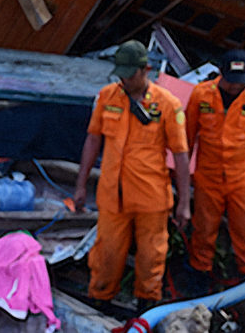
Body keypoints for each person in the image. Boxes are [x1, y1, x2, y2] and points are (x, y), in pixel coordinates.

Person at [73, 40, 191, 308]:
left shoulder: (168, 105)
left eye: (130, 74)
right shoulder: (107, 97)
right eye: (121, 74)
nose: (124, 80)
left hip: (151, 199)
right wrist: (80, 185)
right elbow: (93, 140)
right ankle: (99, 304)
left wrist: (184, 203)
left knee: (151, 258)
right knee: (106, 256)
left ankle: (145, 310)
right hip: (112, 196)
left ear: (145, 69)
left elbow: (181, 155)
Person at [184, 50, 245, 280]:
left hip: (242, 176)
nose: (236, 87)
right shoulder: (201, 94)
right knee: (204, 228)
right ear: (220, 73)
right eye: (232, 82)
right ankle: (200, 272)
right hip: (208, 175)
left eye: (240, 83)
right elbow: (186, 137)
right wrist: (181, 174)